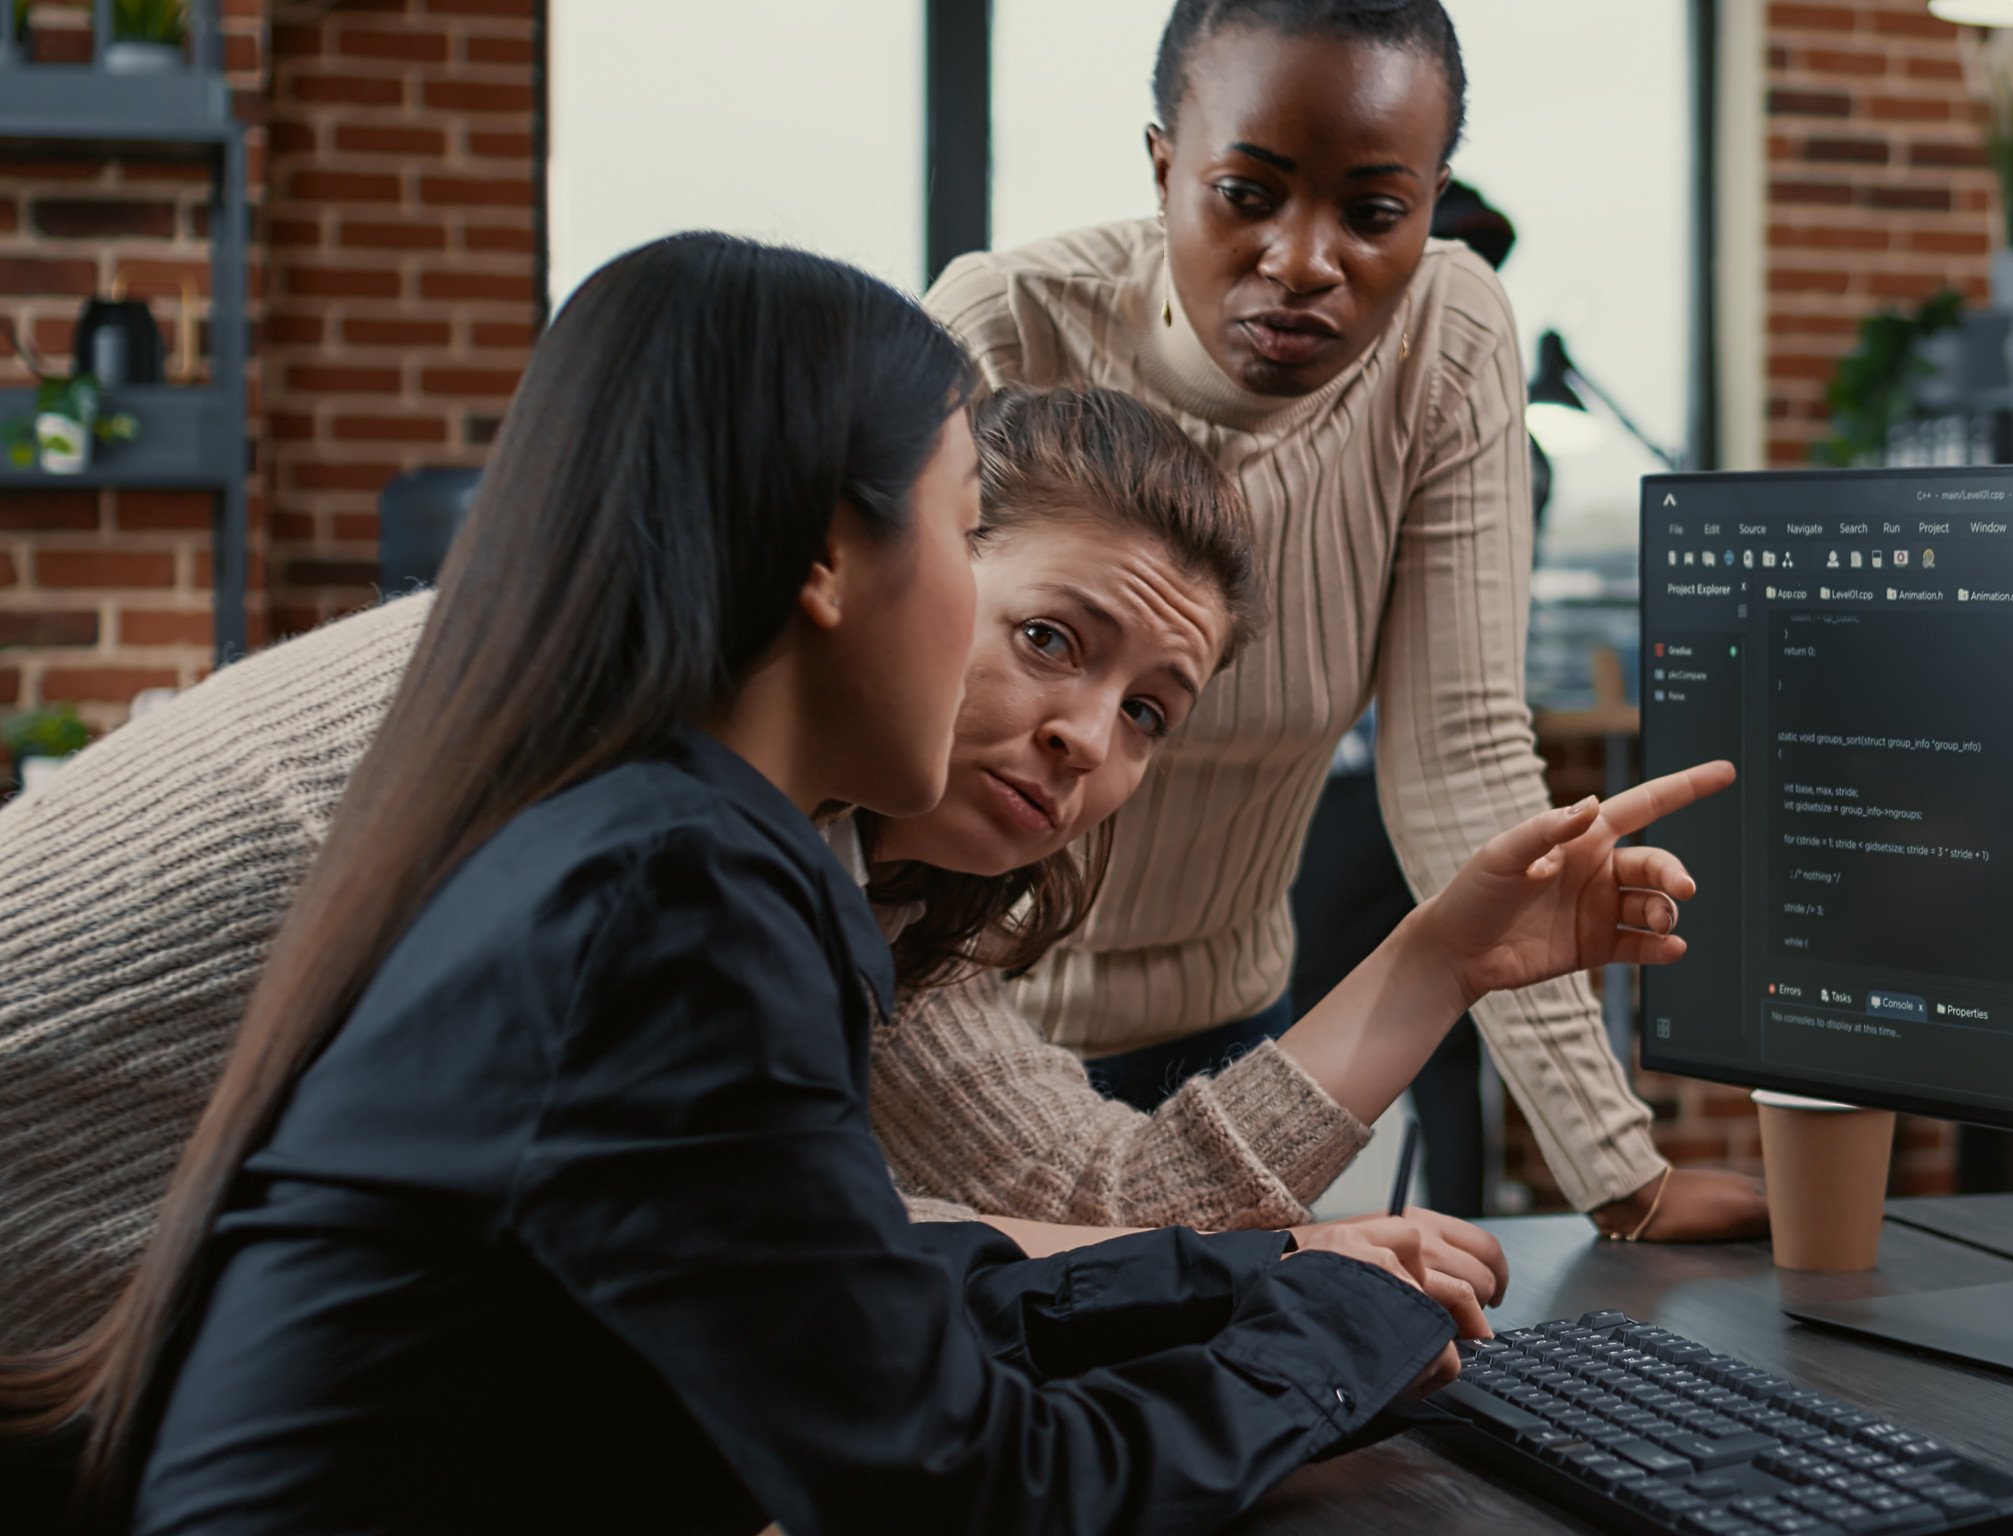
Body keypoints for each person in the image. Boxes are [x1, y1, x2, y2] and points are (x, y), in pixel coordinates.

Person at [1, 234, 1717, 1535]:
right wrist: (1325, 1318)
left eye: (1146, 719)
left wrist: (1266, 1278)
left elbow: (870, 1257)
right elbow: (953, 1473)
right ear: (824, 555)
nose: (1075, 739)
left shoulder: (693, 827)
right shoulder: (642, 867)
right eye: (995, 577)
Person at [0, 381, 1507, 1352]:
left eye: (1146, 717)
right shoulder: (639, 765)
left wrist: (1433, 958)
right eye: (1047, 639)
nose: (1082, 743)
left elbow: (1095, 1199)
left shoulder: (837, 832)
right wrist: (1269, 1271)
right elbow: (781, 1244)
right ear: (893, 574)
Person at [919, 0, 1767, 1239]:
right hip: (953, 1028)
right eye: (1246, 194)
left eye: (1374, 214)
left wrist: (1614, 1168)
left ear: (1429, 204)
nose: (1305, 260)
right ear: (1164, 168)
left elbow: (1460, 753)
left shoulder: (1448, 334)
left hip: (1227, 1032)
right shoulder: (1001, 325)